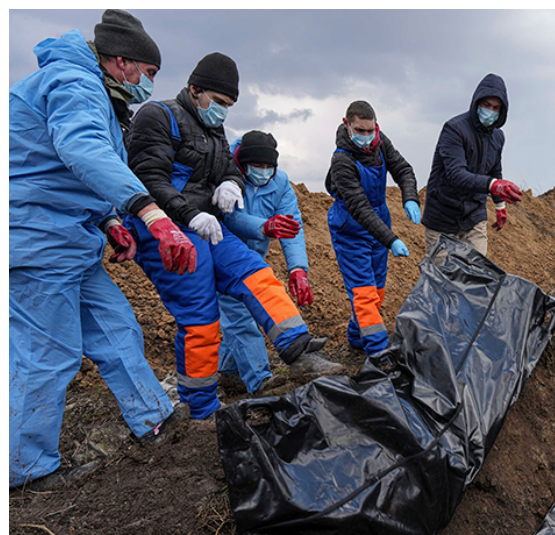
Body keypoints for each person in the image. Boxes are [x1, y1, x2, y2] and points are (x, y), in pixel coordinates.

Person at [9, 10, 195, 490]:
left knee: (117, 327)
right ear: (122, 62)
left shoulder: (95, 93)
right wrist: (149, 213)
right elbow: (82, 150)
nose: (148, 84)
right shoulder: (74, 82)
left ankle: (155, 420)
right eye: (148, 74)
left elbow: (67, 172)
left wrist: (111, 220)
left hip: (70, 238)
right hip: (34, 237)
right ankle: (25, 469)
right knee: (46, 352)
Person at [124, 53, 342, 420]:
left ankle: (300, 351)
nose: (223, 111)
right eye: (220, 102)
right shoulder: (157, 116)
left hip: (207, 225)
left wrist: (229, 182)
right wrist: (189, 214)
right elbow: (148, 178)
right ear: (195, 90)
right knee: (201, 319)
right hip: (166, 228)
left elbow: (229, 168)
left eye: (229, 105)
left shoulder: (213, 130)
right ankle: (202, 411)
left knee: (256, 273)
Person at [218, 130, 314, 394]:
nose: (263, 171)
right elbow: (228, 217)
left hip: (253, 259)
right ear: (242, 162)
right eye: (257, 166)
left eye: (268, 167)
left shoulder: (280, 183)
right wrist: (264, 226)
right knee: (239, 318)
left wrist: (298, 269)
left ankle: (227, 372)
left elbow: (292, 226)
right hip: (224, 257)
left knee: (242, 313)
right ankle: (260, 381)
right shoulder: (226, 176)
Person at [325, 100, 420, 356]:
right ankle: (379, 353)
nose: (366, 137)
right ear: (347, 125)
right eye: (360, 130)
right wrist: (391, 240)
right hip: (351, 229)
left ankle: (357, 336)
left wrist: (409, 196)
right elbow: (359, 207)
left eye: (370, 130)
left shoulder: (380, 142)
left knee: (377, 289)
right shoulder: (341, 161)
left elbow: (403, 169)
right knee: (364, 293)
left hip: (379, 221)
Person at [421, 73, 523, 256]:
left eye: (496, 108)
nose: (490, 111)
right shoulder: (454, 130)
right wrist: (492, 185)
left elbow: (494, 170)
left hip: (474, 214)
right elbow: (456, 174)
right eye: (486, 105)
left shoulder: (498, 137)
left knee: (477, 276)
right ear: (477, 102)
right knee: (441, 279)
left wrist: (499, 205)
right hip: (443, 214)